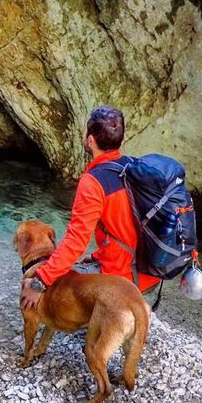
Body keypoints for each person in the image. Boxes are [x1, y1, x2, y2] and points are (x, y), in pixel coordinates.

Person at [21, 106, 160, 311]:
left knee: (57, 283)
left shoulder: (93, 183)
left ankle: (106, 314)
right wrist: (97, 256)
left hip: (124, 278)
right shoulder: (132, 167)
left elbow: (76, 241)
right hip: (151, 271)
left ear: (90, 140)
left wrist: (40, 283)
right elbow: (126, 226)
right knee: (73, 266)